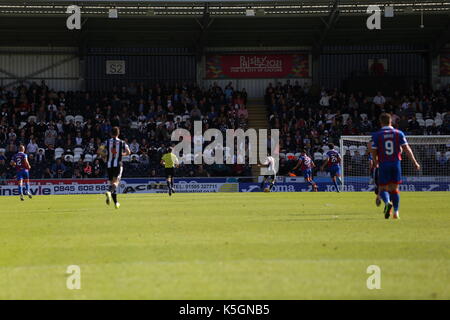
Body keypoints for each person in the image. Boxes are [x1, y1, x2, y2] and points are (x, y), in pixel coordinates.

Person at [371, 113, 421, 219]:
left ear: (380, 122)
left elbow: (373, 150)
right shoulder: (399, 133)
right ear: (391, 121)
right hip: (396, 163)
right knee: (395, 189)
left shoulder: (377, 135)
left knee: (384, 188)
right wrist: (415, 162)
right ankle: (396, 212)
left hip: (384, 164)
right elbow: (407, 149)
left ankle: (388, 202)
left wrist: (375, 162)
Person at [97, 126, 131, 209]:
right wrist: (121, 154)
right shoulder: (122, 142)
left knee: (111, 184)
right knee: (116, 182)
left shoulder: (106, 142)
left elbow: (98, 151)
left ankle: (116, 203)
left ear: (110, 133)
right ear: (118, 133)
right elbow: (128, 152)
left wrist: (104, 155)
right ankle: (109, 192)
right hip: (118, 164)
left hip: (109, 165)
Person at [367, 140, 381, 207]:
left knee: (378, 188)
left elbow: (371, 162)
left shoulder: (373, 153)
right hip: (389, 168)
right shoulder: (382, 150)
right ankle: (389, 202)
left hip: (377, 169)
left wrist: (371, 171)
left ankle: (379, 197)